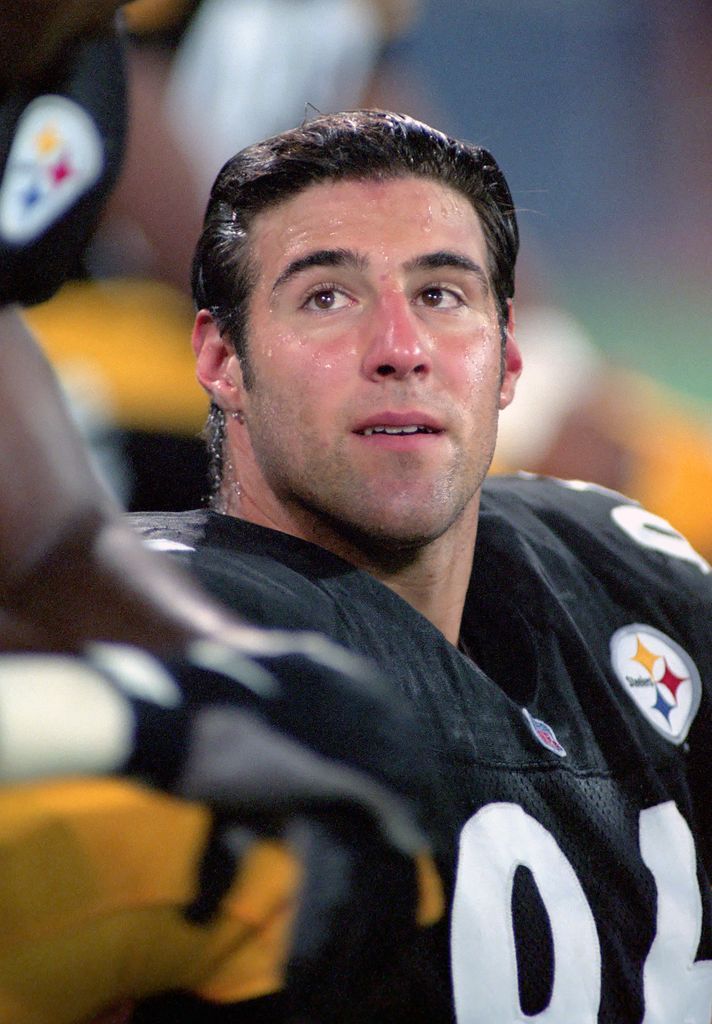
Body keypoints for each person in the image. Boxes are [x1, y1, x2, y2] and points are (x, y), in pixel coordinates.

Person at [130, 109, 712, 1023]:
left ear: (508, 358)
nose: (400, 351)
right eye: (327, 298)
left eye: (441, 295)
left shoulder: (623, 574)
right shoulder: (164, 632)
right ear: (222, 358)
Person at [0, 8, 442, 1022]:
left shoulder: (64, 66)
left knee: (275, 859)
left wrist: (245, 675)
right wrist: (129, 717)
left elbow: (48, 544)